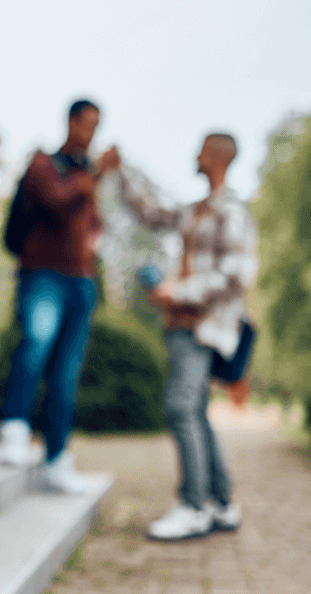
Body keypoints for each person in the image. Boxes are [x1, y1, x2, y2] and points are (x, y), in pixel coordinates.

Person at [99, 134, 257, 540]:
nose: (195, 154)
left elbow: (237, 275)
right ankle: (221, 503)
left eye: (203, 149)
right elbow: (150, 213)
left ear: (219, 157)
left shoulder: (232, 213)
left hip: (204, 326)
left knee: (180, 407)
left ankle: (193, 505)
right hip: (181, 324)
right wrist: (122, 171)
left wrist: (177, 292)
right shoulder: (194, 211)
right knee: (196, 412)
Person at [0, 99, 104, 493]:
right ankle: (14, 428)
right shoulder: (43, 164)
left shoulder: (87, 175)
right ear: (72, 122)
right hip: (43, 276)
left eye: (96, 126)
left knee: (67, 372)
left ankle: (58, 456)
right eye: (86, 124)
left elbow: (92, 221)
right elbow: (58, 203)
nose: (90, 133)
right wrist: (88, 184)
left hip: (82, 280)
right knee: (36, 344)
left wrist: (93, 235)